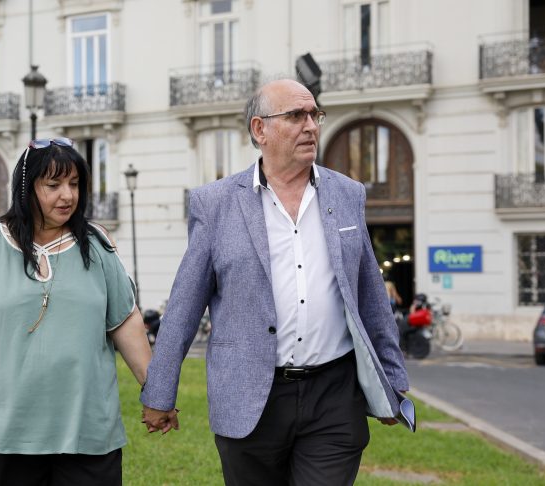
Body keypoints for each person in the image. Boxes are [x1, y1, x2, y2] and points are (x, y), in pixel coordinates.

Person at [140, 79, 411, 486]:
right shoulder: (214, 204)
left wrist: (393, 380)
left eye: (315, 115)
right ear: (260, 129)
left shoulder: (348, 193)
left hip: (334, 395)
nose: (311, 126)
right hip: (250, 396)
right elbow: (184, 306)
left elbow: (369, 292)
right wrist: (160, 393)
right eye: (296, 116)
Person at [0, 138, 152, 486]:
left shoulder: (98, 246)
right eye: (53, 185)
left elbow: (125, 321)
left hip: (86, 434)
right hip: (0, 434)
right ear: (27, 189)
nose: (67, 195)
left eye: (74, 184)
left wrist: (155, 393)